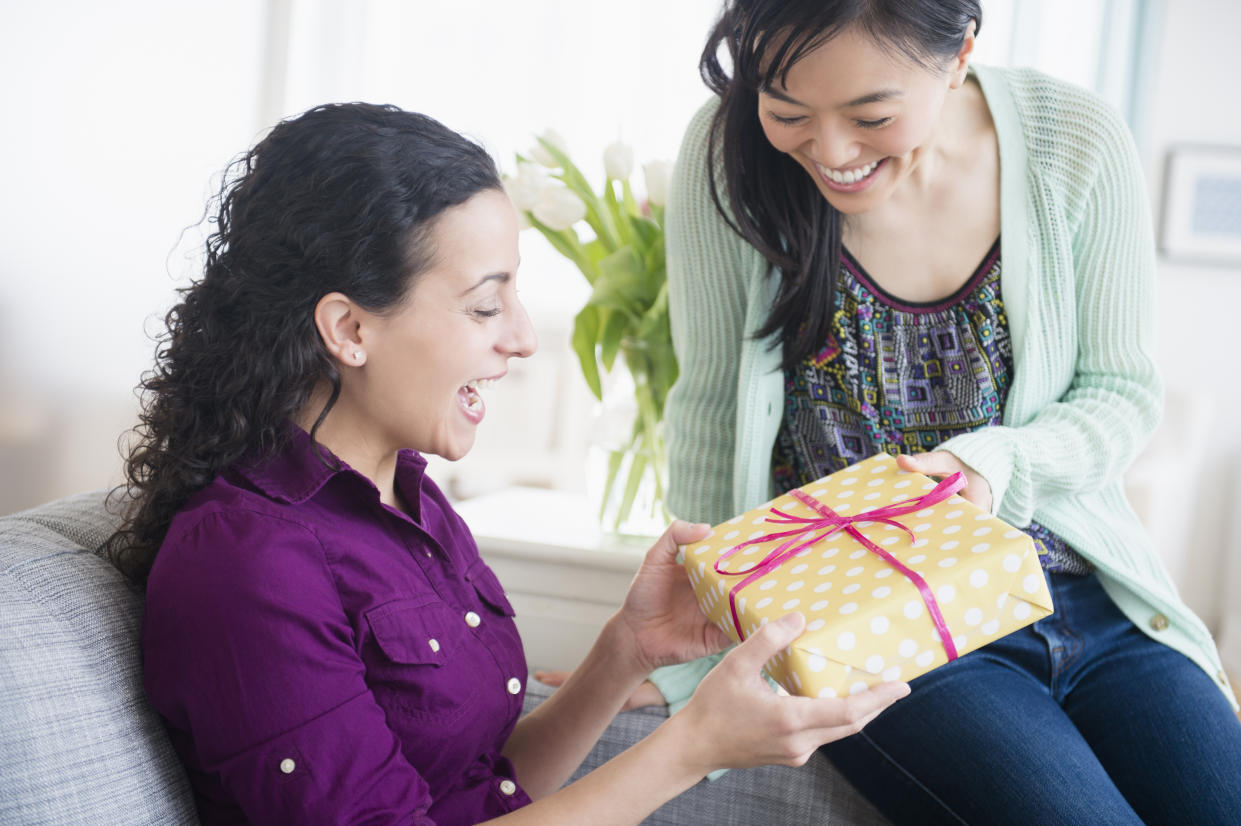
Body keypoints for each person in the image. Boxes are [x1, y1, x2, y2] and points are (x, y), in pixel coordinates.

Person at [104, 102, 909, 825]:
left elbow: (481, 791)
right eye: (486, 305)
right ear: (348, 329)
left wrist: (623, 651)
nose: (522, 338)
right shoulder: (248, 563)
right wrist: (688, 747)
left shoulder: (411, 502)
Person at [639, 0, 1241, 823]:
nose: (833, 151)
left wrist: (993, 466)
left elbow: (1119, 394)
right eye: (786, 113)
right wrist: (691, 659)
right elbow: (709, 412)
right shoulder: (725, 152)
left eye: (871, 115)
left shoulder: (1075, 141)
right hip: (869, 627)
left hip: (1089, 606)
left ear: (957, 54)